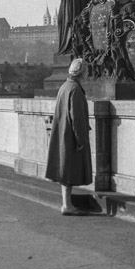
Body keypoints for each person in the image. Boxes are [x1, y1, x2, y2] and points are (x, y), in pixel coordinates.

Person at [45, 58, 92, 215]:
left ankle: (67, 203)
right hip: (71, 136)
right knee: (70, 170)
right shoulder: (75, 90)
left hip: (63, 133)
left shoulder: (64, 87)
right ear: (82, 73)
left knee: (65, 170)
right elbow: (77, 118)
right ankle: (67, 205)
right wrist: (81, 139)